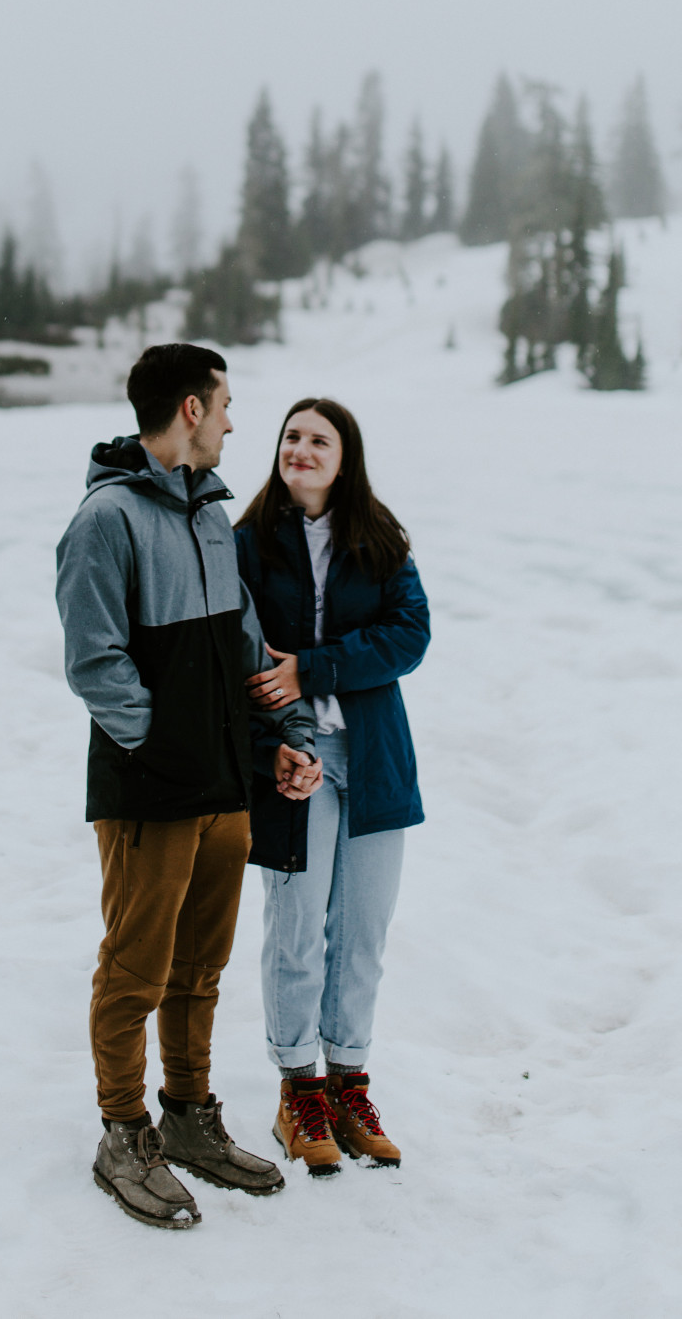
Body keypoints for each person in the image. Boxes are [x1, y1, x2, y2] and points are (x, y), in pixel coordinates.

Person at [57, 343, 322, 1230]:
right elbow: (96, 667)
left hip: (223, 788)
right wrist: (164, 753)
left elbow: (243, 646)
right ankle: (124, 1133)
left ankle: (189, 1116)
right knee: (135, 969)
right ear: (191, 410)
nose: (236, 421)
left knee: (198, 970)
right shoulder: (106, 523)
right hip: (150, 794)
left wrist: (285, 732)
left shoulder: (211, 517)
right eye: (226, 403)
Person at [237, 397, 430, 1176]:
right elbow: (242, 644)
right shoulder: (247, 542)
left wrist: (313, 667)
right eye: (291, 437)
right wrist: (280, 729)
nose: (302, 450)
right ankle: (299, 1092)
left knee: (363, 930)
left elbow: (409, 634)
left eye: (319, 440)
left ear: (345, 458)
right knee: (297, 928)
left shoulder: (379, 539)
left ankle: (349, 1083)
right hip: (294, 756)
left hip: (375, 753)